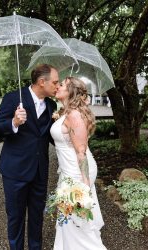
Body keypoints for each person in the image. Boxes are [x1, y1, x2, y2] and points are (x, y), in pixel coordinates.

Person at [0, 64, 59, 250]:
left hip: (39, 170)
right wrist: (14, 122)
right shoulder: (13, 98)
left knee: (37, 217)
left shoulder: (52, 105)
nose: (57, 86)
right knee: (16, 217)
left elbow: (49, 136)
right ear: (41, 82)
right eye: (55, 82)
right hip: (15, 171)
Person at [50, 77, 107, 249]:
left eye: (62, 85)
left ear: (71, 92)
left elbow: (81, 152)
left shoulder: (74, 115)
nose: (57, 86)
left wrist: (85, 185)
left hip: (77, 174)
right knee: (67, 222)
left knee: (78, 224)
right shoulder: (68, 112)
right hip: (68, 171)